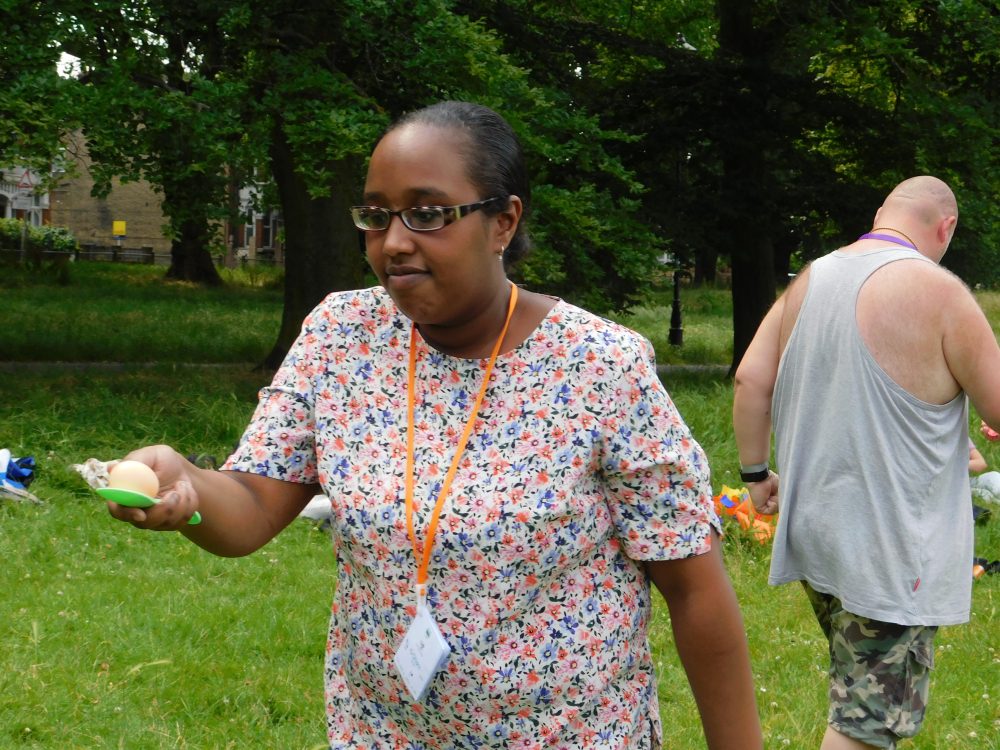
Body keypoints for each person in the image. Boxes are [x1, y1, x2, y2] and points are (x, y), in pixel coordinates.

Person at [106, 101, 761, 749]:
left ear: (502, 222)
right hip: (382, 736)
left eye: (427, 214)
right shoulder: (340, 339)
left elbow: (695, 587)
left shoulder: (601, 369)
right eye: (375, 215)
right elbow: (251, 503)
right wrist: (185, 486)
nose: (393, 242)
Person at [733, 175, 1000, 750]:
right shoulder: (942, 291)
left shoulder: (811, 277)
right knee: (865, 724)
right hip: (888, 548)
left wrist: (756, 475)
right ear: (945, 227)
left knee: (858, 691)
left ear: (882, 212)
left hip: (815, 530)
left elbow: (751, 378)